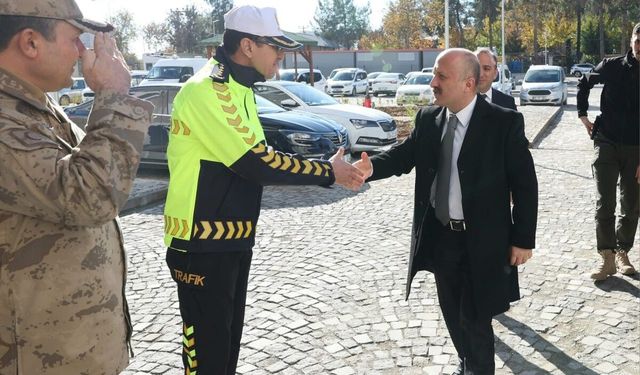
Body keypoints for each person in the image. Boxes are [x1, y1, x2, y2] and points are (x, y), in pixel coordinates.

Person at [162, 5, 365, 375]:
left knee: (224, 357)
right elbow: (255, 163)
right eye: (276, 48)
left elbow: (262, 153)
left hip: (230, 240)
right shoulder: (208, 90)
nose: (281, 58)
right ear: (248, 46)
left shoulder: (240, 89)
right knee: (206, 361)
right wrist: (327, 172)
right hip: (200, 244)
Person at [354, 48, 538, 374]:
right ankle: (466, 361)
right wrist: (367, 169)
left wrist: (523, 239)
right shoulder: (428, 120)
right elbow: (401, 157)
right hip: (443, 240)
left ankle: (476, 367)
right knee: (453, 312)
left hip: (483, 243)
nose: (432, 82)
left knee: (475, 320)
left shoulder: (503, 123)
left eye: (441, 76)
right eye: (434, 74)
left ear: (469, 83)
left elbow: (525, 185)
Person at [0, 0, 153, 374]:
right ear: (31, 42)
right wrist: (114, 96)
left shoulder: (32, 105)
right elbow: (90, 195)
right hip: (37, 358)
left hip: (69, 349)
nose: (82, 51)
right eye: (75, 38)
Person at [577, 22, 639, 281]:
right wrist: (583, 116)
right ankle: (607, 258)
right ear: (631, 40)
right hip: (606, 141)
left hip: (637, 147)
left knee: (632, 204)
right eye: (638, 40)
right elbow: (584, 83)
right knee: (605, 202)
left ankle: (623, 252)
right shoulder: (611, 65)